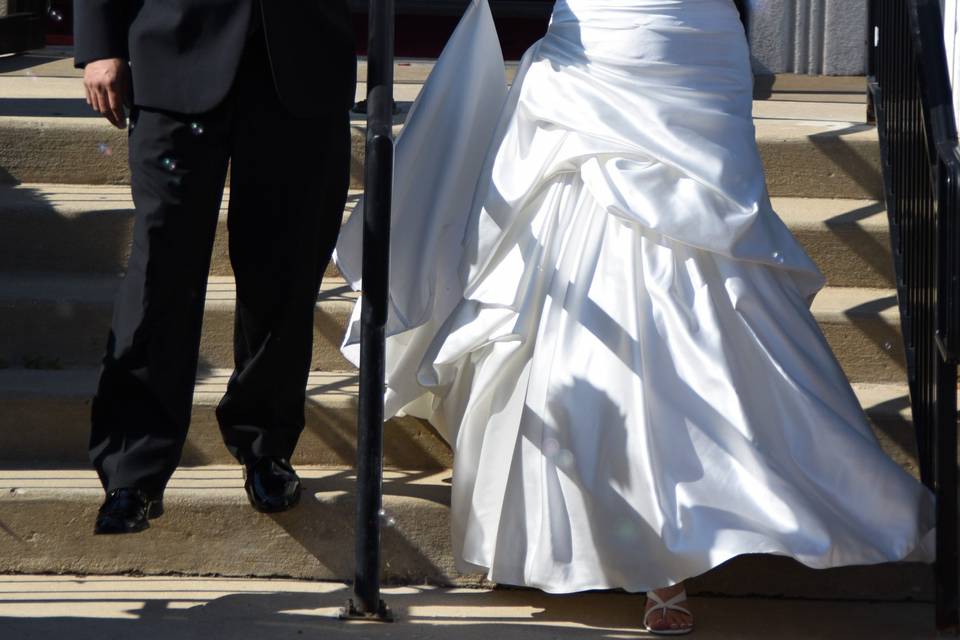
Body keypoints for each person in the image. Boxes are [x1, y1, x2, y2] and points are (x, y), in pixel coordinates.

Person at [335, 0, 935, 634]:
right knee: (579, 269)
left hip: (689, 48)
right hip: (600, 42)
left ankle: (687, 525)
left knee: (704, 277)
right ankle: (629, 546)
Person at [74, 0, 357, 534]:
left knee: (286, 268)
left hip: (304, 56)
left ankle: (265, 446)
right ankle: (133, 469)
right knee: (161, 267)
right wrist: (99, 44)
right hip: (173, 50)